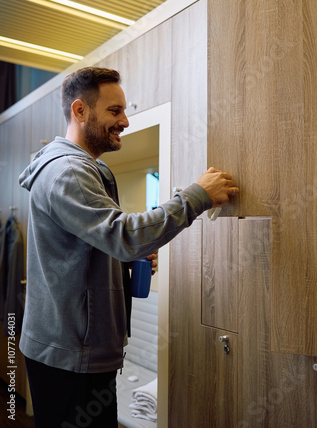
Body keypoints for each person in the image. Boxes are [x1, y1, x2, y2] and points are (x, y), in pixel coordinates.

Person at [19, 67, 239, 428]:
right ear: (80, 111)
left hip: (74, 352)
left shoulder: (82, 169)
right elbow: (122, 235)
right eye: (114, 111)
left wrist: (122, 263)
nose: (125, 120)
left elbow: (96, 244)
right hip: (71, 358)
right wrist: (197, 196)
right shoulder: (68, 171)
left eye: (124, 110)